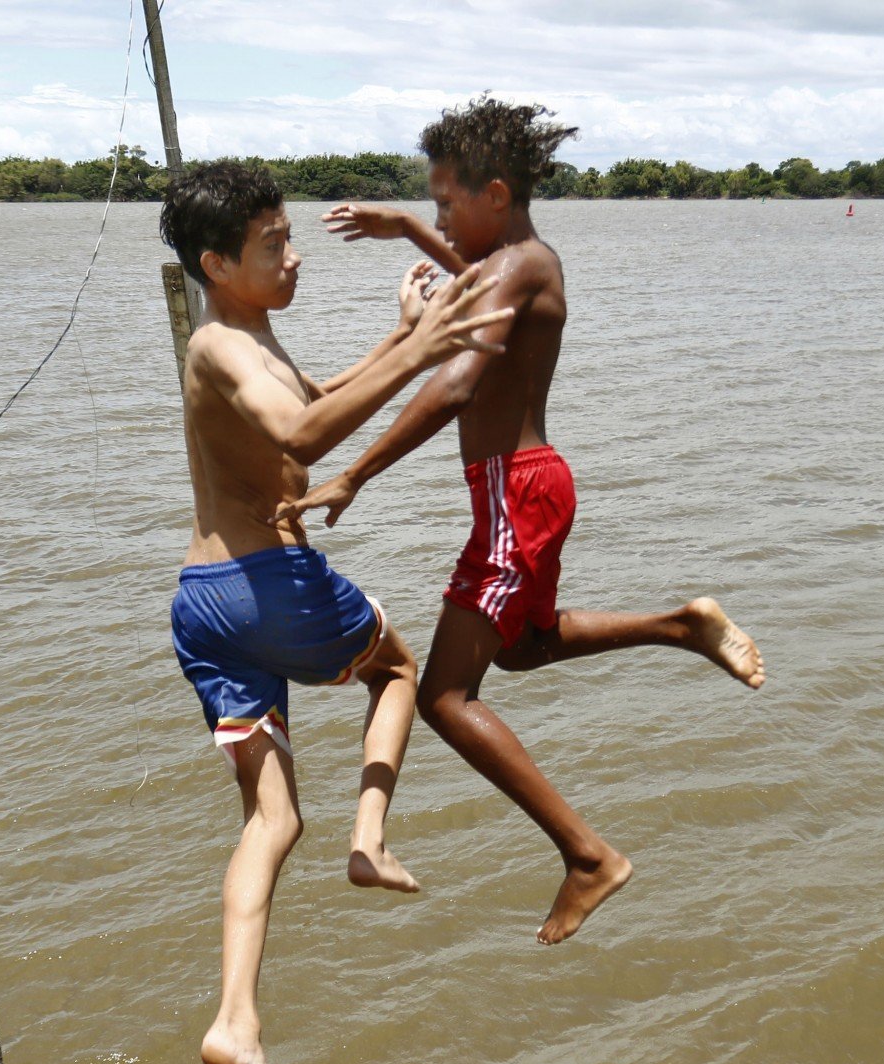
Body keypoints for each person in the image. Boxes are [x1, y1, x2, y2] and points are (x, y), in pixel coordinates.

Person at [277, 100, 765, 948]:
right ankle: (681, 624)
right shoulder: (526, 260)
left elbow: (456, 382)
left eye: (444, 204)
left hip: (513, 494)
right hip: (527, 488)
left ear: (493, 194)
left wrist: (353, 473)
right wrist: (415, 234)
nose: (438, 220)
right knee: (525, 646)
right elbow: (475, 276)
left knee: (441, 696)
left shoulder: (522, 265)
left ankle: (586, 855)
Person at [161, 159, 511, 1064]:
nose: (295, 254)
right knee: (400, 669)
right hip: (269, 583)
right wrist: (425, 351)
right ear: (216, 261)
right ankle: (372, 839)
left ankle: (236, 1023)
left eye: (290, 236)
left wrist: (399, 338)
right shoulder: (216, 345)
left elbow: (316, 396)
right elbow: (305, 432)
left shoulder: (248, 333)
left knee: (271, 818)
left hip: (206, 605)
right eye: (272, 245)